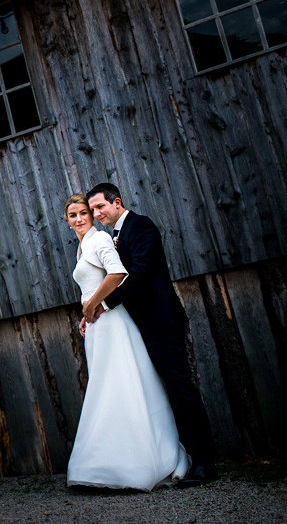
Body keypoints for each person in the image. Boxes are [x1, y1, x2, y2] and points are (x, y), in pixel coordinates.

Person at [85, 182, 217, 488]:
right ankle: (176, 457)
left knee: (180, 386)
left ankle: (204, 463)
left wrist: (105, 304)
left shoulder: (141, 227)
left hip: (161, 322)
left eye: (100, 207)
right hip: (139, 325)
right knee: (161, 390)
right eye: (92, 210)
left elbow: (140, 273)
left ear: (116, 202)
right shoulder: (113, 236)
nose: (96, 213)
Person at [63, 194, 189, 491]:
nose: (80, 218)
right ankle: (107, 461)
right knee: (105, 387)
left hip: (112, 323)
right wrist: (87, 313)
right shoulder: (82, 247)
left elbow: (118, 273)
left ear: (94, 216)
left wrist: (92, 305)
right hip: (97, 326)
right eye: (73, 215)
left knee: (119, 384)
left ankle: (137, 462)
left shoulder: (100, 240)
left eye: (85, 212)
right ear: (66, 221)